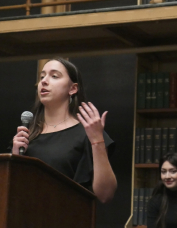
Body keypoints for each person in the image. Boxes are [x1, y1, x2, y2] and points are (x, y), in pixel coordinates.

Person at [12, 57, 117, 203]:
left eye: (54, 76)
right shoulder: (28, 133)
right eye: (42, 76)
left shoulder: (87, 132)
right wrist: (15, 157)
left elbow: (105, 194)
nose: (44, 81)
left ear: (73, 88)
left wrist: (97, 141)